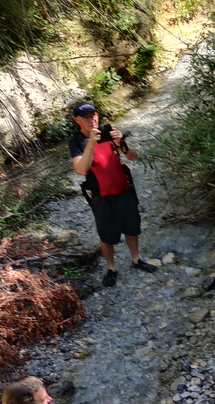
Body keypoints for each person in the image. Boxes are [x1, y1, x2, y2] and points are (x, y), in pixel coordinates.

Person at [69, 101, 157, 288]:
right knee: (106, 234)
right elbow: (81, 169)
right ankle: (111, 268)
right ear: (77, 120)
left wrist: (121, 143)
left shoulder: (109, 133)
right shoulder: (76, 141)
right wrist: (91, 143)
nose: (92, 119)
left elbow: (133, 156)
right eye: (86, 117)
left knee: (132, 227)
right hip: (101, 196)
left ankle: (136, 259)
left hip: (124, 190)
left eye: (93, 115)